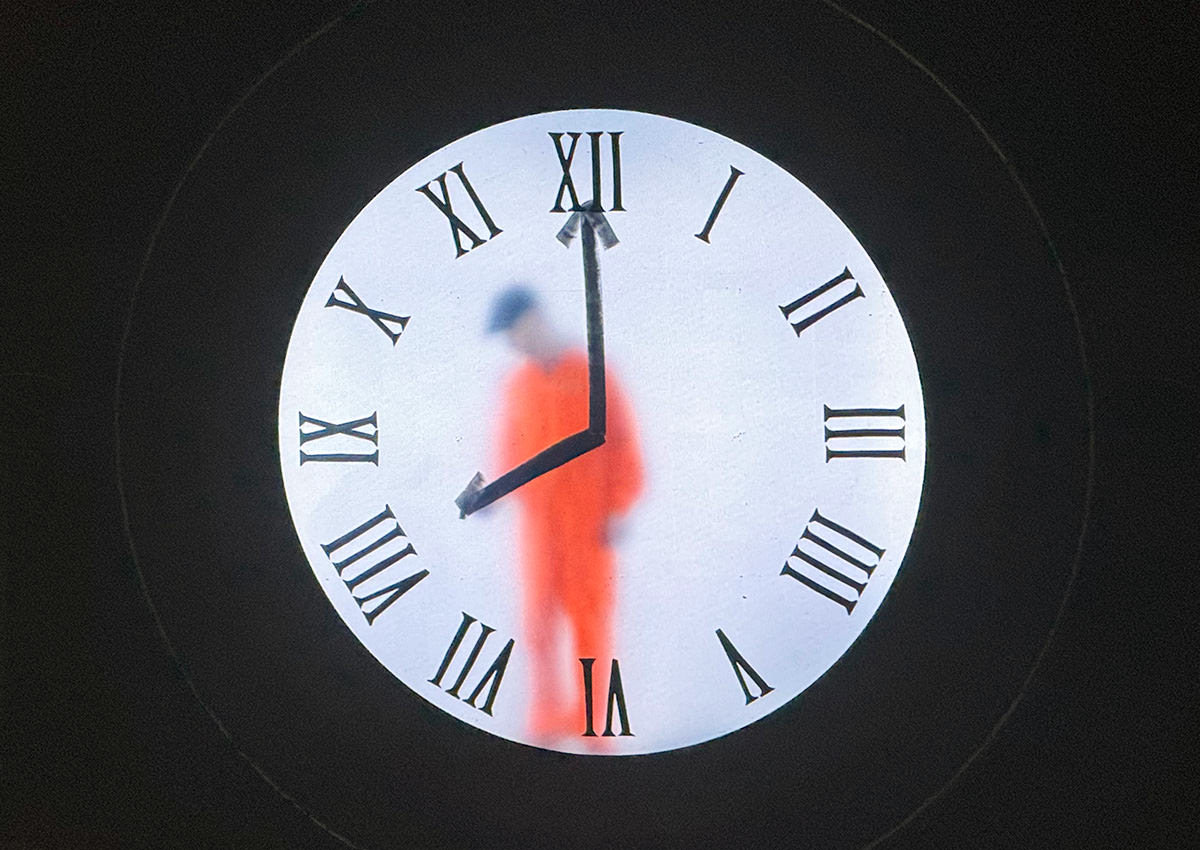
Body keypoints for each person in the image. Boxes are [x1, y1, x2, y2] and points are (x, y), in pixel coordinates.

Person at [487, 285, 643, 744]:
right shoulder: (518, 385)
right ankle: (546, 720)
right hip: (538, 527)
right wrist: (491, 494)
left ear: (534, 320)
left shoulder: (595, 374)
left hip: (587, 525)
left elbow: (625, 445)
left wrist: (619, 505)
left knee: (589, 624)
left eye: (514, 333)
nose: (513, 345)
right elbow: (507, 450)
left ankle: (593, 726)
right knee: (537, 623)